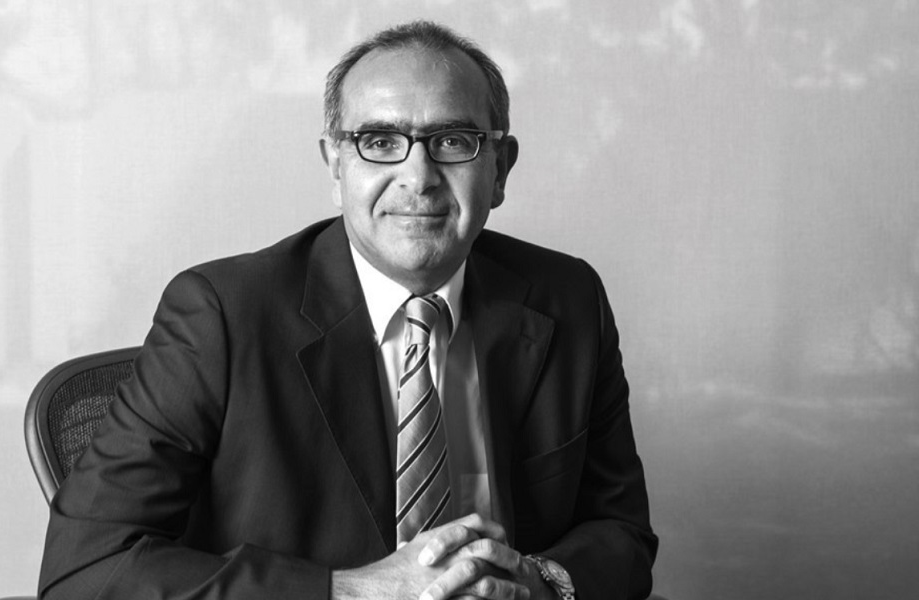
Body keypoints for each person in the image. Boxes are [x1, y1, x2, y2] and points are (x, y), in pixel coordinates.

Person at [39, 20, 657, 600]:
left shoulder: (568, 298)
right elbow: (86, 567)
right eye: (380, 141)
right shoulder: (220, 314)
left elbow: (620, 530)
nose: (418, 176)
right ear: (336, 165)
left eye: (453, 141)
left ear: (500, 169)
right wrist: (352, 591)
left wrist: (540, 581)